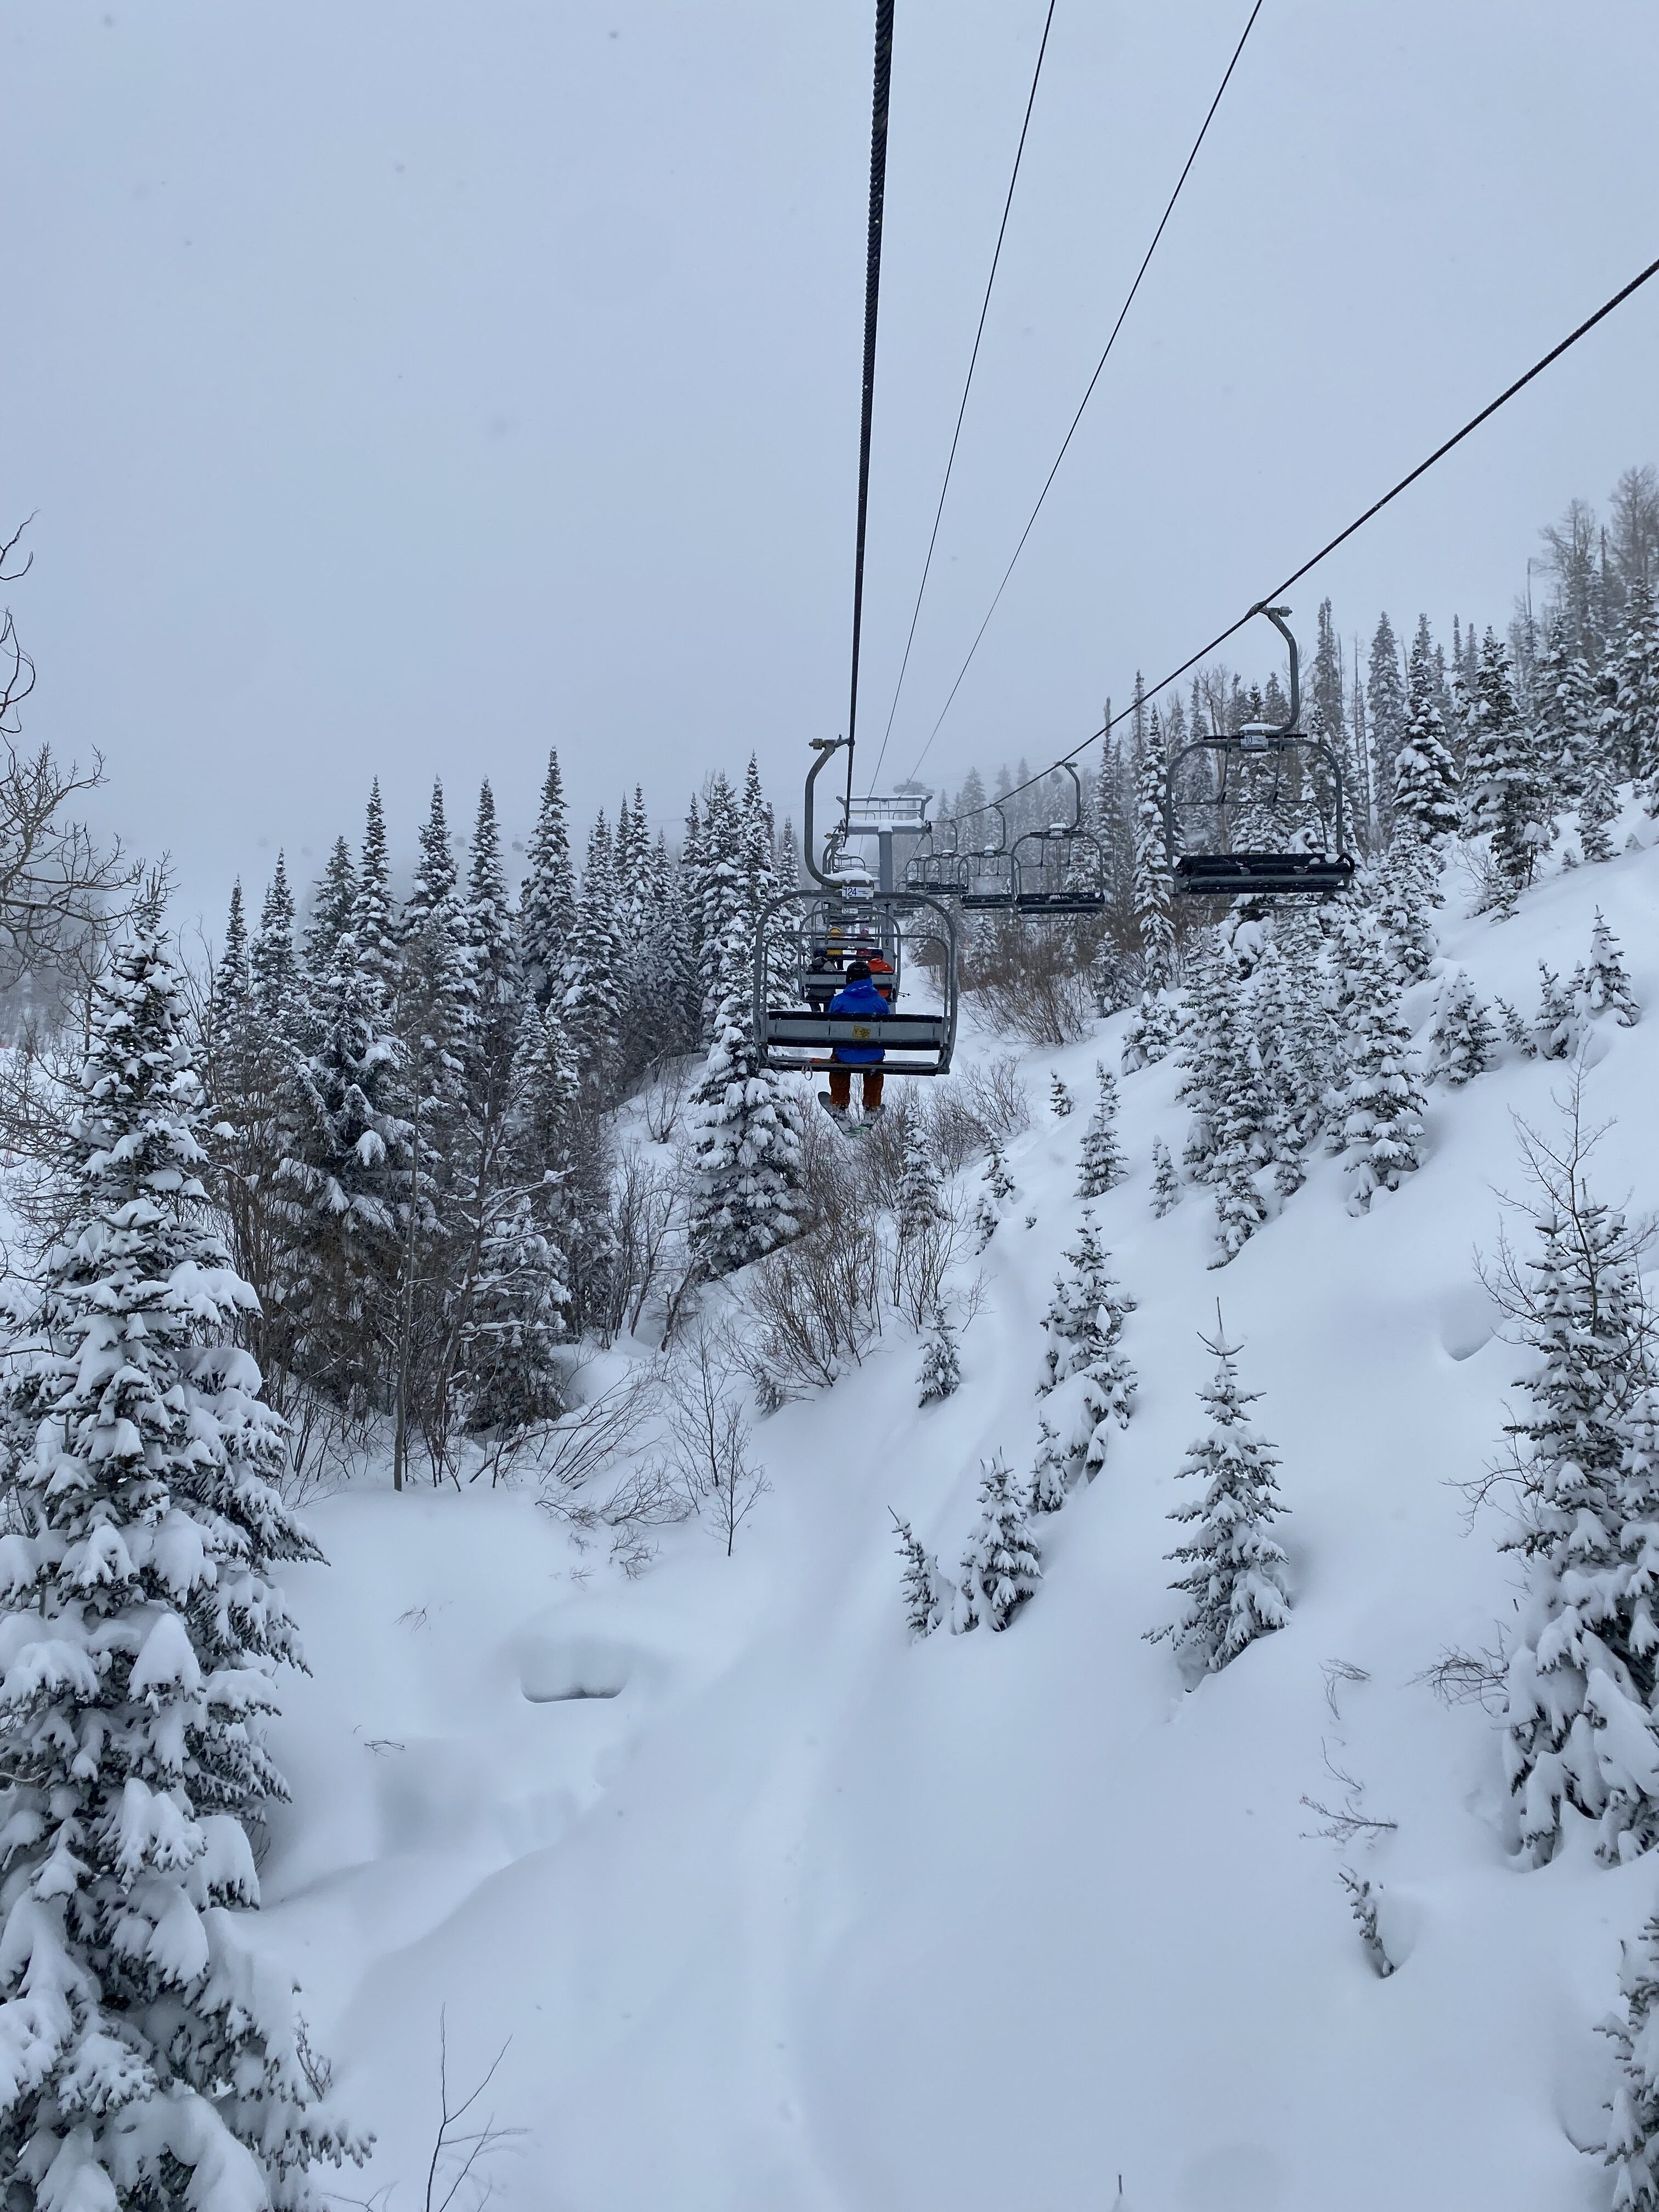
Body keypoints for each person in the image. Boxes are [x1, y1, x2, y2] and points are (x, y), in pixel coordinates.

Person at [822, 958, 888, 1119]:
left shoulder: (839, 1001)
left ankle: (839, 1103)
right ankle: (872, 1106)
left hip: (845, 1055)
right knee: (874, 1070)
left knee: (839, 1067)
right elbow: (887, 1029)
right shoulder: (880, 1002)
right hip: (873, 1056)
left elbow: (830, 1027)